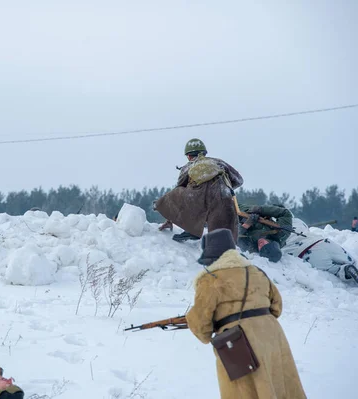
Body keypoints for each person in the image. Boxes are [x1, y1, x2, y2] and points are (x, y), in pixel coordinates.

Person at [186, 228, 306, 399]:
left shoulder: (210, 278)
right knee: (280, 386)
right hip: (273, 336)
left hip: (238, 342)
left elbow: (200, 323)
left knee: (247, 391)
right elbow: (277, 306)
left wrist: (215, 326)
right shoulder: (256, 272)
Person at [153, 138, 244, 243]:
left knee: (176, 194)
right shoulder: (218, 162)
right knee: (222, 239)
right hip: (224, 197)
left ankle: (192, 230)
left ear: (188, 156)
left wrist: (170, 218)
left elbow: (179, 190)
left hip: (197, 198)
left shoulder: (188, 166)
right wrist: (225, 189)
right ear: (204, 153)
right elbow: (239, 180)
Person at [283, 218, 358, 284]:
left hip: (306, 252)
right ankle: (351, 265)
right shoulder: (297, 221)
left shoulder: (272, 230)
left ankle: (346, 271)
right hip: (322, 242)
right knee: (352, 261)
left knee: (334, 269)